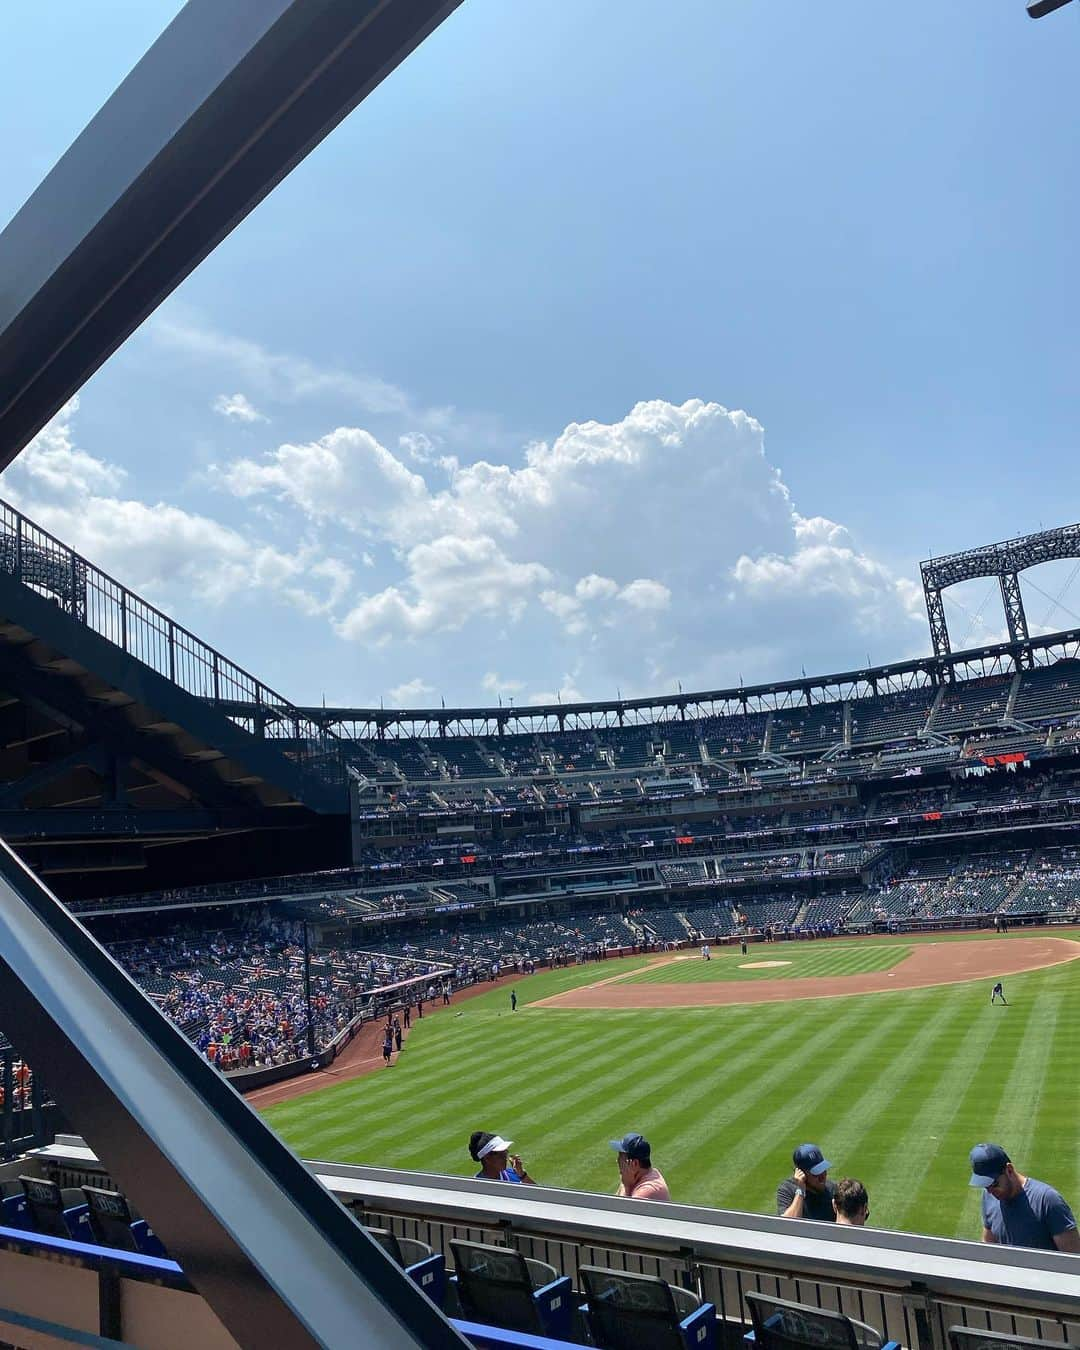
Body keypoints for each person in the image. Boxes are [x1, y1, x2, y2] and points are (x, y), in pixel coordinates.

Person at [969, 1143, 1080, 1251]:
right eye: (985, 1186)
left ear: (1009, 1170)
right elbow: (989, 1246)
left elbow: (1073, 1259)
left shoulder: (1047, 1200)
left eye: (994, 1184)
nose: (990, 1191)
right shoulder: (989, 1195)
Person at [777, 1144, 837, 1221]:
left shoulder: (832, 1189)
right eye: (816, 1173)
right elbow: (787, 1224)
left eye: (823, 1170)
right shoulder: (787, 1190)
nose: (822, 1177)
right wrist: (800, 1191)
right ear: (801, 1173)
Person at [610, 1132, 671, 1202]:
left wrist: (626, 1186)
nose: (617, 1161)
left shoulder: (647, 1190)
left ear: (634, 1163)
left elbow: (619, 1210)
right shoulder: (633, 1177)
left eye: (620, 1157)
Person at [469, 1132, 536, 1184]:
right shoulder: (477, 1185)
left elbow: (538, 1195)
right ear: (487, 1158)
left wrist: (521, 1174)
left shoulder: (514, 1174)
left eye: (505, 1152)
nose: (505, 1157)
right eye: (500, 1154)